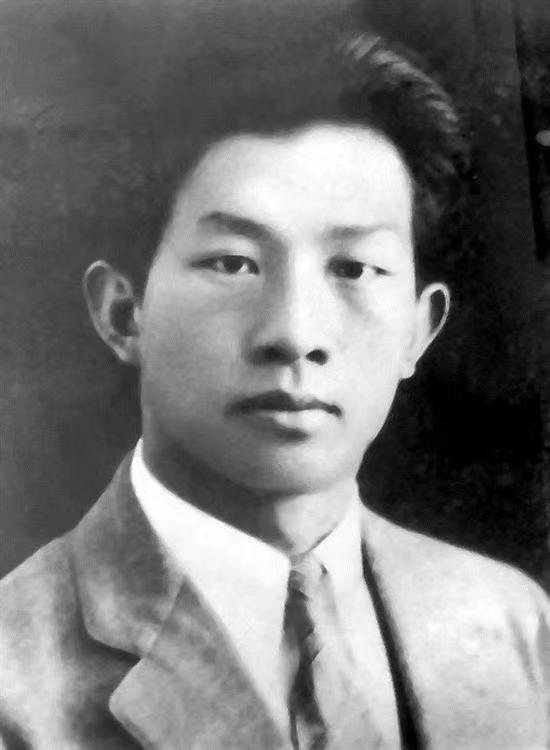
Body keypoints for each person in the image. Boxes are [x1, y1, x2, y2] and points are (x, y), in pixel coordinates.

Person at [0, 13, 549, 750]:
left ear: (419, 330)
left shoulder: (515, 627)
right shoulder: (13, 678)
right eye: (234, 263)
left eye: (354, 268)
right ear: (124, 312)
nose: (295, 333)